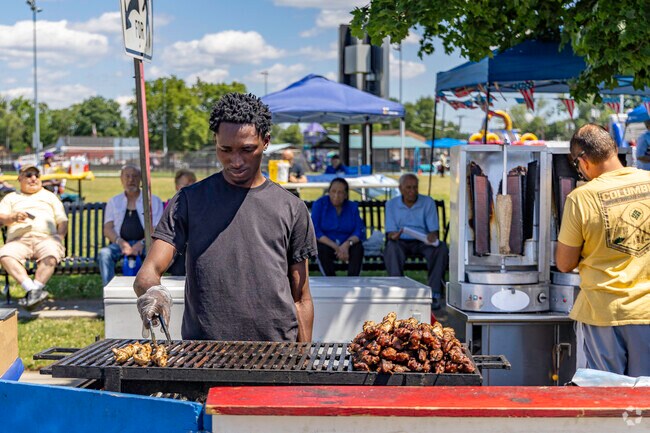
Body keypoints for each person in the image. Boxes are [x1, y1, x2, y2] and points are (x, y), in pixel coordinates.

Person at [134, 92, 317, 342]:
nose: (236, 161)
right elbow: (149, 271)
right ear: (215, 142)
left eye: (247, 149)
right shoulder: (189, 200)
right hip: (205, 351)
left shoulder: (292, 207)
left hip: (277, 351)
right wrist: (152, 292)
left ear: (266, 142)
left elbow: (301, 297)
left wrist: (302, 362)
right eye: (225, 149)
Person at [556, 124, 650, 377]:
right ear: (614, 151)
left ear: (583, 161)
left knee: (606, 396)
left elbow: (564, 263)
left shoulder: (581, 198)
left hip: (603, 312)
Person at [0, 164, 68, 309]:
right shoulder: (11, 198)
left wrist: (59, 238)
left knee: (51, 253)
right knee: (5, 255)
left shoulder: (50, 196)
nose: (33, 178)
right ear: (19, 178)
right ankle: (33, 290)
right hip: (19, 240)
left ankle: (33, 292)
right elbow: (1, 218)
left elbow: (62, 220)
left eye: (36, 175)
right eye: (29, 175)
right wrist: (13, 217)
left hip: (46, 238)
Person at [384, 173, 448, 310]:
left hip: (422, 241)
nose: (412, 191)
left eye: (415, 187)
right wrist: (393, 235)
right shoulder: (391, 204)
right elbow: (390, 232)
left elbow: (434, 231)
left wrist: (432, 235)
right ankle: (398, 292)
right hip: (400, 240)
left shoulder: (427, 202)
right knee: (391, 247)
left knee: (440, 248)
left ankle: (434, 293)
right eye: (408, 188)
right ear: (400, 188)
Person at [98, 165, 163, 287]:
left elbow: (158, 228)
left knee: (156, 255)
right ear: (121, 179)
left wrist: (142, 243)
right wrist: (122, 243)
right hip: (120, 244)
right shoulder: (114, 201)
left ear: (140, 179)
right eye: (127, 176)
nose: (130, 180)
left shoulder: (153, 201)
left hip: (147, 244)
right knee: (104, 254)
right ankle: (110, 293)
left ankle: (150, 292)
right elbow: (107, 229)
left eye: (135, 176)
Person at [311, 178, 365, 276]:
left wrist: (346, 245)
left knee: (358, 248)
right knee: (321, 249)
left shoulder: (352, 207)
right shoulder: (320, 204)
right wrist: (336, 247)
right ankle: (331, 282)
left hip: (347, 244)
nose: (336, 196)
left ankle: (353, 282)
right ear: (329, 192)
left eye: (340, 192)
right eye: (333, 191)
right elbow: (315, 230)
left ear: (345, 195)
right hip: (327, 243)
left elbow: (359, 230)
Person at [165, 169, 197, 276]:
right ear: (177, 187)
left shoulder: (201, 205)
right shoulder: (169, 205)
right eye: (186, 184)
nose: (190, 187)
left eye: (193, 183)